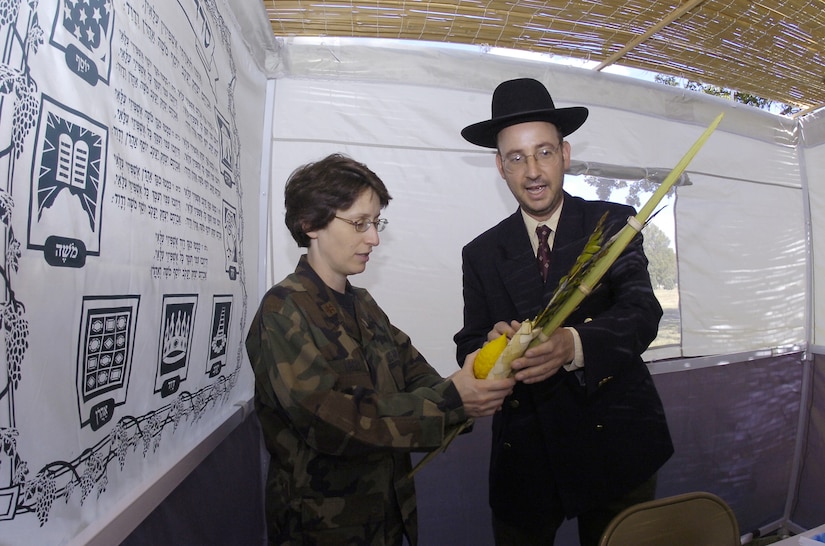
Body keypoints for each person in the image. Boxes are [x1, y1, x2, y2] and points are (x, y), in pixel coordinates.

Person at [246, 153, 515, 546]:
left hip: (386, 517)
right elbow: (331, 422)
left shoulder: (365, 306)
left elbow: (416, 375)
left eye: (376, 223)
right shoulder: (283, 311)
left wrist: (480, 371)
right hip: (322, 530)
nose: (373, 237)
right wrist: (454, 400)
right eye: (359, 223)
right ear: (310, 224)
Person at [454, 78, 674, 546]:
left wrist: (571, 344)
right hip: (528, 457)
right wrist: (493, 348)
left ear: (565, 153)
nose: (533, 170)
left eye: (544, 152)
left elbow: (642, 312)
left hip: (618, 442)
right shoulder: (481, 253)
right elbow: (468, 343)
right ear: (500, 166)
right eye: (516, 157)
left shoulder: (613, 224)